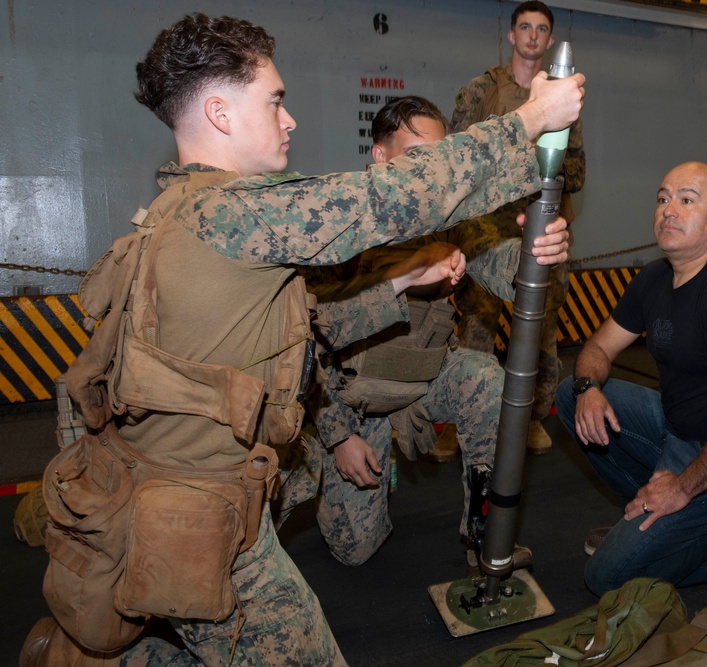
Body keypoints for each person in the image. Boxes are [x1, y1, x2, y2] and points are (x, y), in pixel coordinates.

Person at [25, 12, 584, 665]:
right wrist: (526, 121)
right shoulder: (236, 212)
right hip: (193, 514)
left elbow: (318, 323)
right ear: (220, 113)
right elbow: (393, 198)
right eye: (275, 100)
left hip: (202, 495)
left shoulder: (180, 211)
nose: (289, 120)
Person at [278, 96, 569, 574]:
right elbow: (309, 344)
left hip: (424, 377)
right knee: (356, 551)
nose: (430, 170)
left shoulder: (449, 220)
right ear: (380, 157)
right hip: (348, 401)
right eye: (416, 156)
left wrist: (541, 252)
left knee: (483, 379)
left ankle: (484, 536)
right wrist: (337, 438)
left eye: (439, 157)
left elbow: (510, 276)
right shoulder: (344, 222)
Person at [554, 162, 707, 596]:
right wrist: (588, 389)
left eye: (687, 199)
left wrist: (682, 489)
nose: (669, 209)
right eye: (663, 198)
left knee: (607, 577)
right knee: (567, 395)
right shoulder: (654, 278)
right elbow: (597, 349)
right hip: (678, 430)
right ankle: (648, 517)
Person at [435, 0, 586, 459]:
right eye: (526, 27)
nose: (533, 36)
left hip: (539, 227)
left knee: (540, 327)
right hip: (485, 230)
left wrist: (545, 174)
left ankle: (532, 420)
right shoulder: (484, 88)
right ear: (512, 35)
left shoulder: (563, 100)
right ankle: (460, 422)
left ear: (549, 38)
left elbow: (576, 173)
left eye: (542, 29)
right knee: (477, 328)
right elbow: (459, 155)